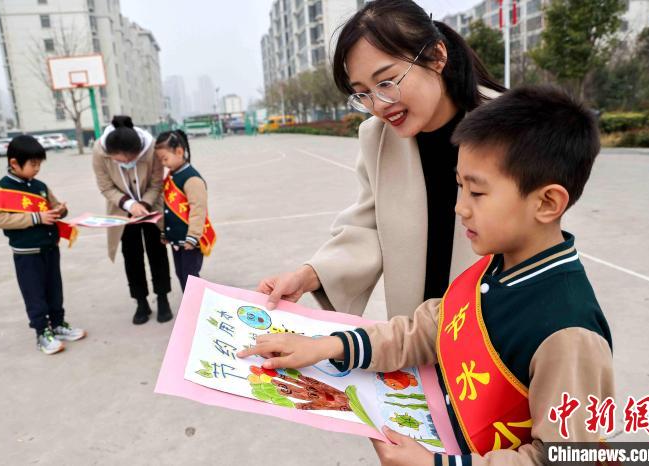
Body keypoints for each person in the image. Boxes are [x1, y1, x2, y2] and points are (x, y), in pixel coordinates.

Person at [240, 86, 614, 465]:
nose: (460, 208)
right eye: (459, 186)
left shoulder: (569, 334)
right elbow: (426, 329)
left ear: (547, 203)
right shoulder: (495, 267)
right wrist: (326, 346)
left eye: (477, 193)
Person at [258, 0, 505, 318]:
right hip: (413, 336)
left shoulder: (509, 127)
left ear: (437, 56)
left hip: (492, 330)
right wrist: (309, 275)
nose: (378, 104)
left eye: (387, 82)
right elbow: (369, 227)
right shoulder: (378, 138)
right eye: (362, 93)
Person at [0, 135, 85, 355]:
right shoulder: (2, 189)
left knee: (54, 289)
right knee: (35, 293)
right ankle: (42, 333)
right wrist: (36, 218)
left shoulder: (40, 186)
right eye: (33, 164)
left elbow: (53, 206)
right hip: (27, 253)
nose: (37, 169)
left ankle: (58, 324)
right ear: (14, 163)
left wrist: (61, 210)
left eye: (39, 164)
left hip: (50, 247)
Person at [92, 115, 173, 324]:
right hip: (122, 212)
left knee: (158, 253)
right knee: (132, 256)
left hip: (151, 207)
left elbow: (156, 183)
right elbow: (105, 186)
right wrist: (129, 204)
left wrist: (144, 204)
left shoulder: (151, 148)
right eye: (121, 161)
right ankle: (141, 302)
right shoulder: (100, 152)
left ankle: (163, 298)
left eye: (131, 159)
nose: (127, 163)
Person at [155, 129, 217, 293]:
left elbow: (198, 210)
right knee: (181, 274)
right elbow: (167, 208)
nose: (163, 163)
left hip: (190, 241)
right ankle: (193, 303)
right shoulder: (172, 176)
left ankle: (195, 306)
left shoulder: (192, 179)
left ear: (179, 152)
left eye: (165, 158)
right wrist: (165, 232)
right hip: (177, 241)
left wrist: (193, 237)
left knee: (190, 276)